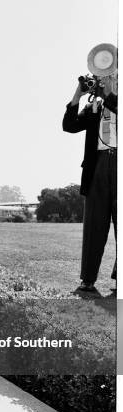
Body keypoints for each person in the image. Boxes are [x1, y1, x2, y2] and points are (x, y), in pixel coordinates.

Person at [63, 60, 117, 292]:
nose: (104, 79)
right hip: (97, 167)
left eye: (110, 76)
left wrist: (110, 94)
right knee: (94, 224)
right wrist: (79, 93)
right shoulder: (94, 106)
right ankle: (88, 278)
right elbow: (69, 125)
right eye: (102, 77)